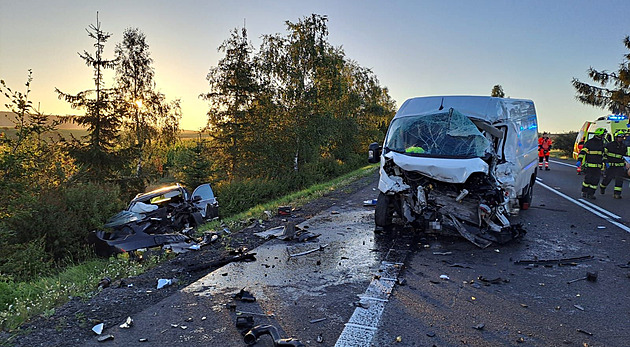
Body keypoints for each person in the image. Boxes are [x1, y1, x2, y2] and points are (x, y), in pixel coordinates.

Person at [577, 128, 606, 199]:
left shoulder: (602, 143)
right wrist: (579, 160)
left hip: (598, 166)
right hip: (590, 165)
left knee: (595, 180)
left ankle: (591, 194)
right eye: (603, 135)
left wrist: (606, 162)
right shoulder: (589, 143)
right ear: (599, 135)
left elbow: (604, 154)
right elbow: (582, 152)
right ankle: (584, 191)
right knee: (588, 179)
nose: (603, 136)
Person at [600, 130, 628, 199]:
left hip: (620, 166)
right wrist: (606, 161)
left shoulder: (624, 146)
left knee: (619, 180)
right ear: (616, 137)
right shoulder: (609, 145)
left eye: (622, 137)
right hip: (611, 166)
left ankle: (617, 194)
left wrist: (626, 162)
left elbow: (625, 156)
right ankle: (602, 187)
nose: (621, 138)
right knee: (607, 179)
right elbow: (604, 154)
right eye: (619, 137)